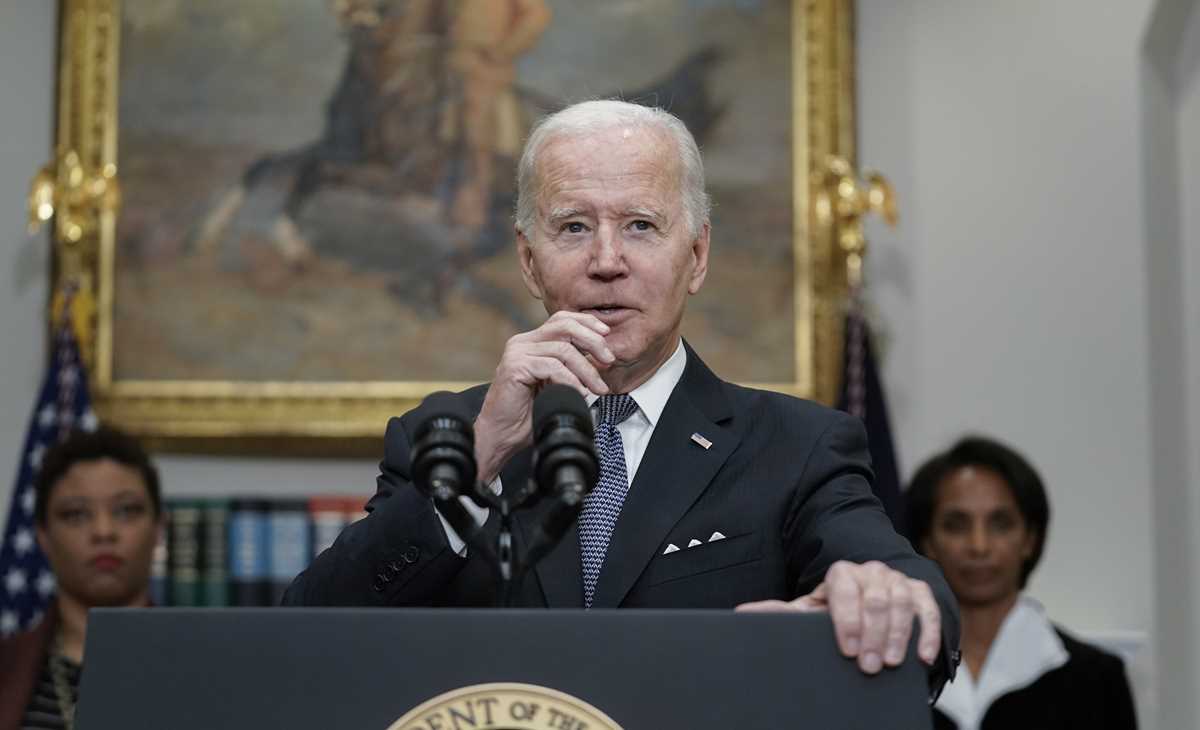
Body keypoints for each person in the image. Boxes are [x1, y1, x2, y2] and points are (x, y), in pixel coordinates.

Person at [284, 99, 960, 691]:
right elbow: (305, 636)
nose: (607, 261)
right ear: (528, 261)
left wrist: (885, 595)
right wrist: (483, 456)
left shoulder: (798, 446)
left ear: (695, 257)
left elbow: (918, 594)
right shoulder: (445, 436)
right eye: (574, 227)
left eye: (640, 225)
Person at [906, 436, 1137, 729]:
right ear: (927, 541)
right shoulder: (888, 670)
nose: (979, 546)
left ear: (1030, 539)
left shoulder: (1097, 677)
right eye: (957, 525)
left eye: (1000, 524)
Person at [0, 427, 163, 730]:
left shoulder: (201, 665)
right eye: (76, 514)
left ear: (158, 529)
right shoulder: (7, 669)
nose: (103, 531)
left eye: (126, 511)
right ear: (43, 537)